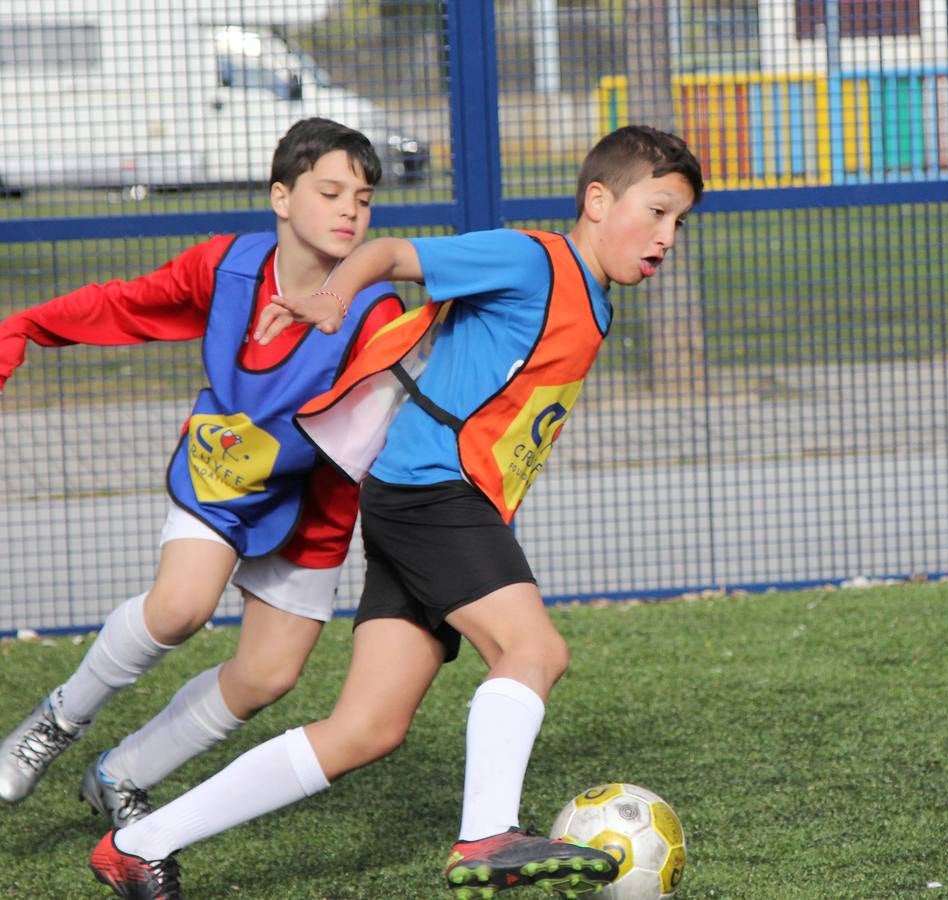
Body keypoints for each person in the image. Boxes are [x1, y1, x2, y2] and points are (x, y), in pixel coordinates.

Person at [87, 124, 704, 900]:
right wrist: (334, 298)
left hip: (428, 502)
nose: (667, 237)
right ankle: (486, 836)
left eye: (679, 222)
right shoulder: (533, 258)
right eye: (656, 212)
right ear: (597, 199)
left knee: (366, 730)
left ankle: (138, 845)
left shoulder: (597, 300)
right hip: (431, 495)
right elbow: (391, 255)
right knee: (534, 651)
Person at [0, 118, 404, 831]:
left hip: (314, 502)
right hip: (223, 471)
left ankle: (120, 774)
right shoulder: (228, 266)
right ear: (281, 197)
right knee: (181, 606)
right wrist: (29, 325)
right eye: (331, 191)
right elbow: (129, 303)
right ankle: (53, 726)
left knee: (267, 677)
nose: (350, 210)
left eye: (364, 199)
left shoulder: (375, 310)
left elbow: (378, 443)